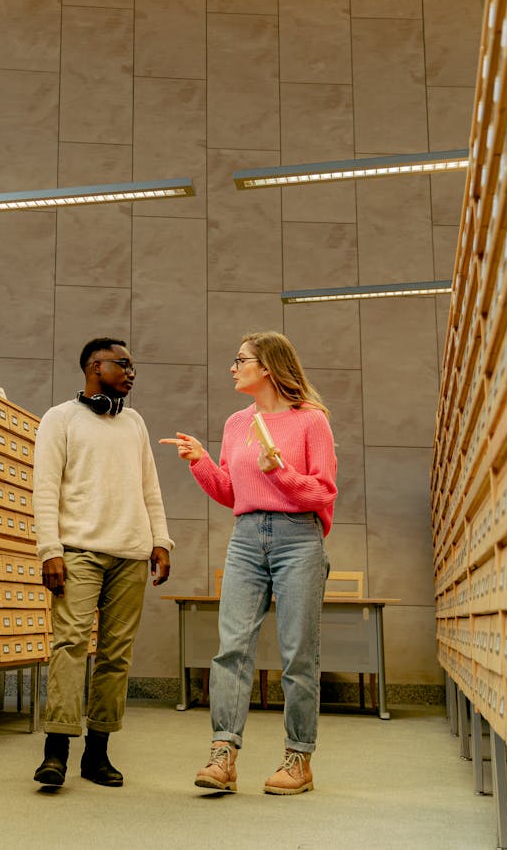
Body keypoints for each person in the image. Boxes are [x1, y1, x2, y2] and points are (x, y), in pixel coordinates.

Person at [160, 331, 337, 795]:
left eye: (241, 360)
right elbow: (231, 492)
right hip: (245, 538)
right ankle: (224, 755)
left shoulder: (311, 422)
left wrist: (278, 468)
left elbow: (322, 493)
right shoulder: (238, 423)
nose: (233, 367)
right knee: (231, 648)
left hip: (299, 538)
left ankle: (298, 759)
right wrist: (200, 461)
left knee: (298, 652)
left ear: (269, 367)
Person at [31, 337, 173, 788]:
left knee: (116, 657)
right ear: (95, 365)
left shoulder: (134, 423)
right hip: (79, 553)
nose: (132, 373)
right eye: (124, 364)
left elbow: (149, 486)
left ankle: (98, 754)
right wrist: (49, 549)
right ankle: (56, 751)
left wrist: (161, 541)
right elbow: (45, 489)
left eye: (134, 366)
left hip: (131, 553)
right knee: (69, 646)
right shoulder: (60, 418)